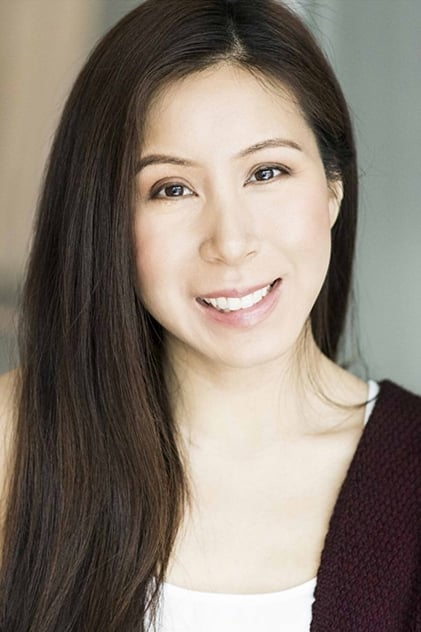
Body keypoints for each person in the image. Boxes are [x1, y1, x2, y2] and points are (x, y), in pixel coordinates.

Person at [0, 0, 420, 630]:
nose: (230, 241)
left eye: (267, 172)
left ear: (333, 187)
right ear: (106, 219)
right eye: (172, 188)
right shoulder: (15, 443)